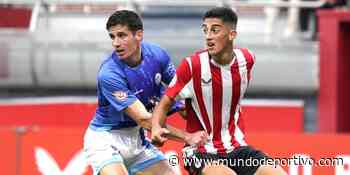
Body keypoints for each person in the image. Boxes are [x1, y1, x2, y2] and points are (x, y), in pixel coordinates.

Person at [151, 7, 287, 175]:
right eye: (205, 30)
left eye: (215, 30)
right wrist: (156, 127)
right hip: (199, 151)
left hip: (237, 147)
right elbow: (164, 104)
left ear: (232, 35)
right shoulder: (192, 66)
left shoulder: (247, 59)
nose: (208, 36)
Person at [83, 10, 190, 175]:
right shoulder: (109, 74)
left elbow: (182, 91)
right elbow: (145, 120)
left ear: (138, 35)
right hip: (105, 140)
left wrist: (189, 107)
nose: (116, 43)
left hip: (136, 140)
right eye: (112, 37)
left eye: (122, 35)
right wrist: (188, 137)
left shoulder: (157, 55)